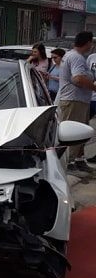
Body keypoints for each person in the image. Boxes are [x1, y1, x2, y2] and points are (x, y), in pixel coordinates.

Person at [57, 32, 96, 173]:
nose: (92, 46)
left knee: (81, 134)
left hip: (79, 101)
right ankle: (67, 163)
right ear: (87, 43)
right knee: (72, 134)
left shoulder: (73, 55)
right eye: (91, 43)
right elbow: (78, 79)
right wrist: (94, 87)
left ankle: (78, 160)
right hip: (73, 101)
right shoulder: (76, 57)